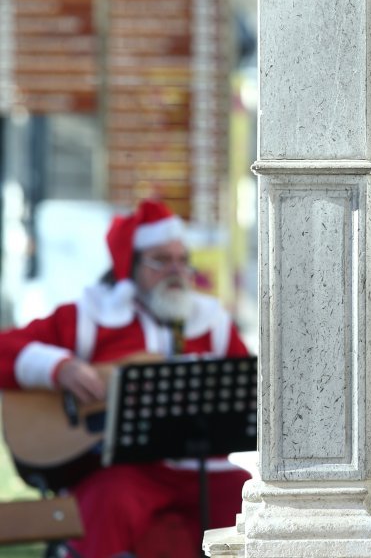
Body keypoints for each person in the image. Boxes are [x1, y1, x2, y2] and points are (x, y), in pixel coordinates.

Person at [0, 199, 251, 558]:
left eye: (182, 260)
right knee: (109, 502)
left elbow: (252, 392)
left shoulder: (211, 321)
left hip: (202, 472)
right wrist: (60, 368)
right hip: (126, 471)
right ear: (130, 266)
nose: (176, 271)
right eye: (161, 260)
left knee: (252, 503)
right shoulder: (91, 316)